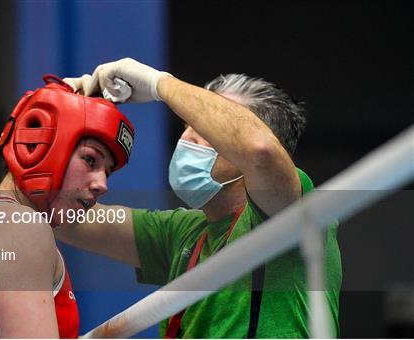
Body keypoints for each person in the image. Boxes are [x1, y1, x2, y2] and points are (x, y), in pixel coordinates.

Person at [57, 58, 341, 338]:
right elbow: (63, 215)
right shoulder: (186, 234)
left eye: (207, 127)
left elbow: (260, 149)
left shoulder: (293, 208)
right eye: (189, 123)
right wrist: (49, 134)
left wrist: (159, 83)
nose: (188, 136)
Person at [0, 75, 135, 338]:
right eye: (90, 160)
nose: (102, 184)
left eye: (107, 173)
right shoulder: (18, 227)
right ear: (39, 146)